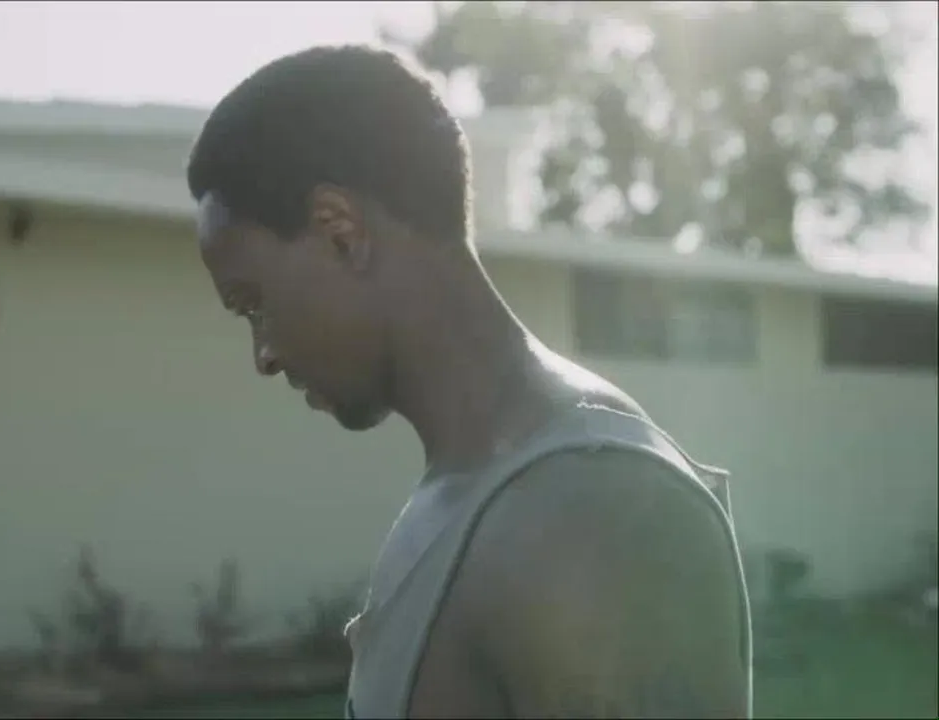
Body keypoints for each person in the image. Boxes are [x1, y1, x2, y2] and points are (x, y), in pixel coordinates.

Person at [186, 45, 752, 719]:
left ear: (340, 232)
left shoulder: (593, 505)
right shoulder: (465, 487)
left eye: (254, 304)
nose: (264, 355)